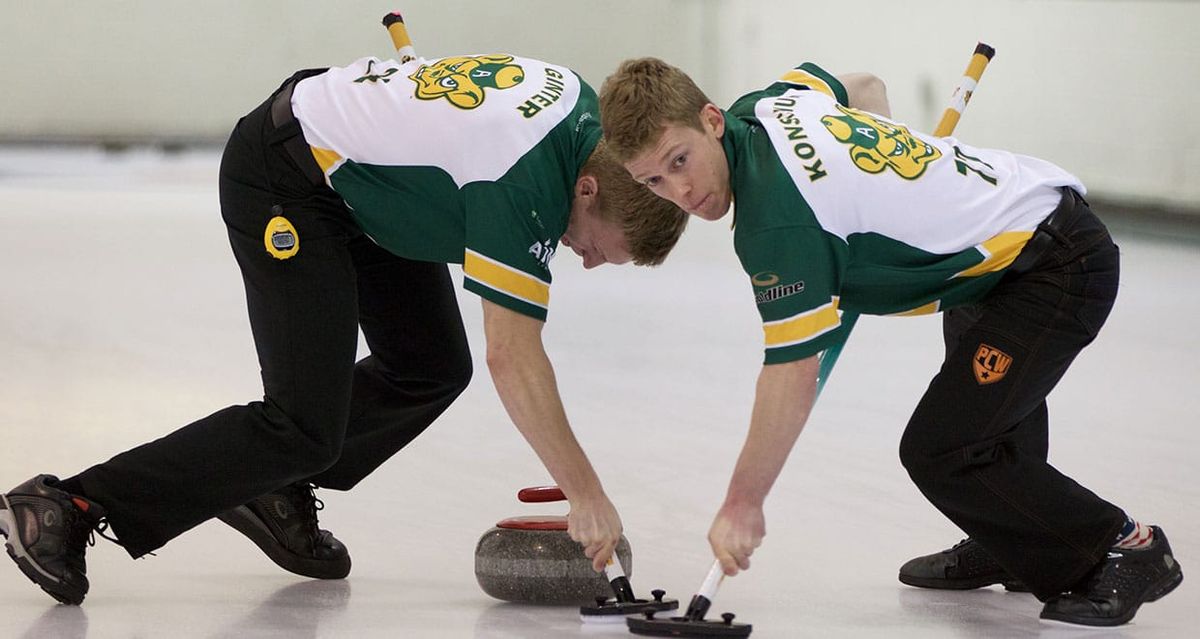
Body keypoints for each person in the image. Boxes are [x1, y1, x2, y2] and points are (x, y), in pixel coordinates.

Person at [0, 52, 687, 606]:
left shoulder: (582, 121)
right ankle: (67, 503)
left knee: (430, 364)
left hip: (364, 188)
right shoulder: (525, 183)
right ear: (590, 191)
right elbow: (514, 356)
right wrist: (587, 493)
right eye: (599, 246)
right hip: (286, 177)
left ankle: (274, 487)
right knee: (299, 422)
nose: (588, 261)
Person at [597, 57, 1182, 627]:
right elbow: (865, 85)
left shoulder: (779, 225)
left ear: (711, 120)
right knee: (987, 422)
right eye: (654, 180)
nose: (680, 190)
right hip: (990, 266)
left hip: (1053, 265)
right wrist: (889, 172)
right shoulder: (769, 103)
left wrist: (742, 503)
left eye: (680, 160)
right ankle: (1010, 544)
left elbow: (792, 370)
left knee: (945, 447)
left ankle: (1127, 546)